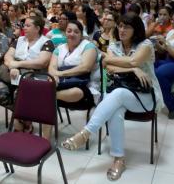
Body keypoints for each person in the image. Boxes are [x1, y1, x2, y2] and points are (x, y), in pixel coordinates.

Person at [61, 13, 163, 181]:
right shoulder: (113, 46)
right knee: (116, 108)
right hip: (120, 93)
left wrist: (130, 65)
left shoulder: (145, 45)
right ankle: (119, 159)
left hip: (145, 96)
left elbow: (131, 62)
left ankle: (86, 132)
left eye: (127, 27)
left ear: (136, 29)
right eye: (120, 26)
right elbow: (108, 67)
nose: (122, 30)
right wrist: (132, 68)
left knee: (118, 95)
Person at [0, 15, 54, 114]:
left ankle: (22, 121)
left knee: (19, 94)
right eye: (24, 25)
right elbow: (7, 56)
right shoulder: (19, 40)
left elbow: (41, 63)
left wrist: (17, 64)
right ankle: (21, 116)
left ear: (37, 28)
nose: (24, 28)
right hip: (13, 75)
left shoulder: (46, 42)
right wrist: (12, 67)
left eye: (28, 26)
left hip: (35, 77)